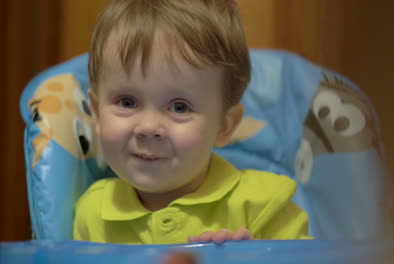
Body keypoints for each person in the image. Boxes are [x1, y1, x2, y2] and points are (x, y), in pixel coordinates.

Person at [73, 0, 311, 244]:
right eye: (127, 102)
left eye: (179, 107)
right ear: (97, 113)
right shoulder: (92, 214)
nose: (148, 128)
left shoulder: (264, 204)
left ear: (224, 126)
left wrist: (252, 258)